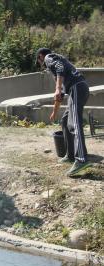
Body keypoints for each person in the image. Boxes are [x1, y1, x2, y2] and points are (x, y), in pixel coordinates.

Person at [36, 48, 91, 177]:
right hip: (76, 89)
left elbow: (59, 70)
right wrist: (54, 112)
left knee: (74, 123)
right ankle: (71, 155)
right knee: (65, 120)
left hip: (77, 87)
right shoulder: (57, 72)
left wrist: (57, 88)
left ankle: (81, 159)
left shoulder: (49, 58)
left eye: (39, 61)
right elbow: (59, 95)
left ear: (40, 56)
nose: (41, 64)